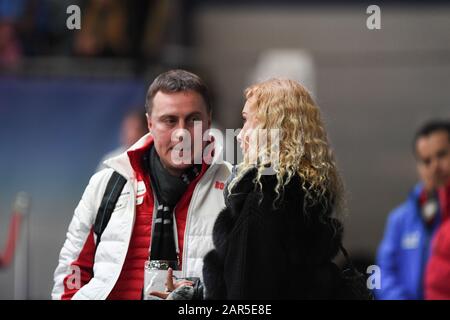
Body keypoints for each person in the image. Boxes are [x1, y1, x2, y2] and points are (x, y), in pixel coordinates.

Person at [152, 78, 347, 300]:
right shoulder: (308, 194)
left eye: (246, 121)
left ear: (272, 130)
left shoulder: (262, 203)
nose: (240, 134)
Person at [51, 69, 232, 300]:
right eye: (169, 120)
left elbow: (246, 284)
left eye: (193, 120)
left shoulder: (232, 190)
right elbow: (72, 271)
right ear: (149, 123)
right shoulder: (107, 184)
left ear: (209, 121)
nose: (181, 134)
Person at [376, 121, 450, 300]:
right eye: (426, 161)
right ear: (419, 167)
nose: (435, 166)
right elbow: (380, 274)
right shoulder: (400, 219)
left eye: (442, 155)